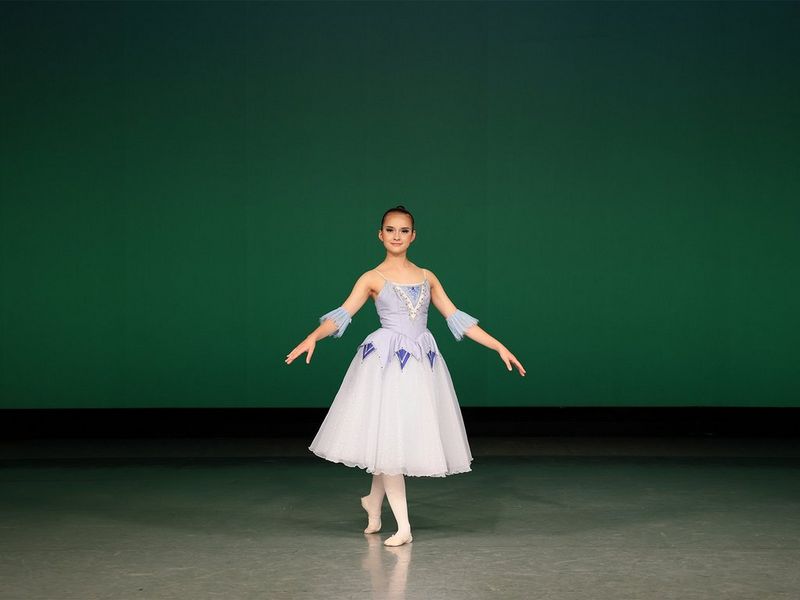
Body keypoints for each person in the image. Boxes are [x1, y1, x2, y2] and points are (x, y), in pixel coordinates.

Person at [285, 205, 526, 547]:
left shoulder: (427, 277)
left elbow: (456, 317)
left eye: (403, 230)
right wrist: (313, 337)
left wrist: (498, 345)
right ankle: (403, 526)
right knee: (390, 439)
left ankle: (373, 502)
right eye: (390, 230)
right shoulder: (372, 278)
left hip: (420, 363)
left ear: (413, 236)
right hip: (385, 363)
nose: (396, 236)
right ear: (380, 234)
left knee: (392, 439)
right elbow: (341, 315)